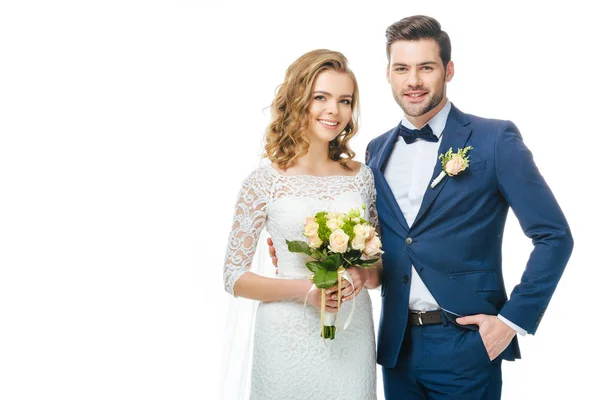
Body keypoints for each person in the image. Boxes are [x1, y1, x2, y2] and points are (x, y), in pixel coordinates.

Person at [267, 15, 574, 399]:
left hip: (468, 344)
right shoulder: (376, 152)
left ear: (448, 70)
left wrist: (512, 321)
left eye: (425, 67)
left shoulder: (494, 139)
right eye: (402, 68)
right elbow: (384, 245)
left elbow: (554, 236)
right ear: (389, 74)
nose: (413, 81)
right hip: (396, 347)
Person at [222, 49, 382, 399]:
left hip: (349, 331)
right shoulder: (263, 182)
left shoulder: (362, 178)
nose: (334, 111)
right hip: (285, 336)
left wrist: (360, 275)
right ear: (298, 100)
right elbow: (234, 277)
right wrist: (305, 291)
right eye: (320, 97)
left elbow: (379, 265)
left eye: (344, 100)